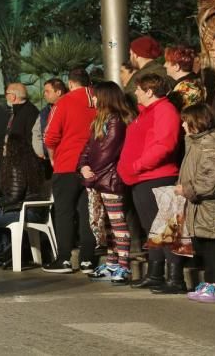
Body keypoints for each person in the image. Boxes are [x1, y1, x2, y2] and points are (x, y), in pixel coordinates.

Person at [118, 73, 183, 291]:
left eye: (139, 88)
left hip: (158, 176)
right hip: (141, 178)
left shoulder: (165, 111)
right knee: (152, 229)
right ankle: (155, 274)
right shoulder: (145, 113)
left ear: (150, 91)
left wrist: (137, 165)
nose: (135, 92)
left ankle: (176, 279)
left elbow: (165, 145)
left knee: (167, 229)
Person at [77, 81, 136, 284]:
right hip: (98, 178)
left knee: (118, 222)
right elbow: (88, 147)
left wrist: (91, 172)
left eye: (95, 95)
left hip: (111, 179)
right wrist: (83, 166)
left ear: (105, 97)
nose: (92, 99)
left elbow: (107, 152)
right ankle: (112, 264)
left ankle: (124, 266)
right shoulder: (99, 120)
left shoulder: (117, 120)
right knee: (108, 225)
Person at [43, 67, 98, 274]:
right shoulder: (100, 99)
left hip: (67, 163)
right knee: (87, 212)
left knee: (64, 212)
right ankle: (87, 259)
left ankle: (64, 258)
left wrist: (52, 156)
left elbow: (50, 136)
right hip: (94, 164)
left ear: (71, 83)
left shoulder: (64, 102)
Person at [0, 133, 48, 268]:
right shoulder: (29, 163)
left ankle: (1, 253)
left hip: (27, 211)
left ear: (13, 147)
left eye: (5, 144)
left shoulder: (17, 166)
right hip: (29, 208)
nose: (3, 147)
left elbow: (14, 196)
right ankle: (8, 249)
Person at [175, 104, 215, 302]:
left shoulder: (209, 144)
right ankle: (211, 282)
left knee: (213, 246)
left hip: (211, 206)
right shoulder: (196, 142)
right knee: (203, 243)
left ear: (197, 121)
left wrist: (186, 190)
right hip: (199, 205)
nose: (183, 125)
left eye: (186, 121)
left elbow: (211, 181)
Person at [164, 44, 206, 110]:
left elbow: (172, 112)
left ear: (176, 67)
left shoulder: (186, 87)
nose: (164, 65)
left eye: (167, 62)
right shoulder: (190, 83)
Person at [32, 78, 66, 159]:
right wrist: (40, 151)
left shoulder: (69, 108)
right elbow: (36, 131)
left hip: (65, 156)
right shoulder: (44, 112)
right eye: (44, 91)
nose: (44, 94)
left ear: (58, 92)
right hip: (47, 158)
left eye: (47, 91)